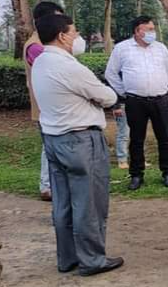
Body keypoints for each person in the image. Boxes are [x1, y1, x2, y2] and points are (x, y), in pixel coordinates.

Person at [31, 14, 123, 276]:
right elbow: (107, 96)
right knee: (89, 202)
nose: (78, 37)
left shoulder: (40, 61)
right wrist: (95, 101)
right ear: (62, 35)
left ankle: (68, 257)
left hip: (53, 138)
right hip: (81, 140)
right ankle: (92, 260)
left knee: (62, 202)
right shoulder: (68, 66)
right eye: (75, 32)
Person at [105, 16, 168, 190]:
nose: (153, 32)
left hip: (160, 100)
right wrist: (125, 92)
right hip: (135, 101)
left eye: (153, 28)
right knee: (136, 139)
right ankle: (137, 175)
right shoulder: (122, 49)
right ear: (137, 31)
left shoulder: (161, 48)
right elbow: (111, 74)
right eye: (149, 29)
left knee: (165, 138)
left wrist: (158, 86)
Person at [23, 1, 65, 201]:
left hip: (53, 106)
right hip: (46, 107)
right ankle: (48, 185)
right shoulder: (36, 47)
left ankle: (49, 185)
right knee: (50, 146)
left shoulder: (46, 44)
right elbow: (55, 68)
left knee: (51, 146)